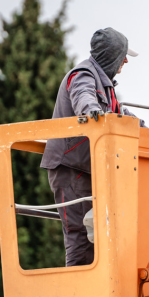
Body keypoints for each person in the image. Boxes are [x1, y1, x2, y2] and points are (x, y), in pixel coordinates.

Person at [41, 27, 143, 266]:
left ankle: (93, 296)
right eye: (123, 55)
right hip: (70, 169)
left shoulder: (107, 86)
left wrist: (147, 130)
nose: (126, 61)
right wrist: (91, 111)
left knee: (95, 237)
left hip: (85, 169)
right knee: (79, 235)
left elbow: (121, 115)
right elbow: (83, 96)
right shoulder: (84, 74)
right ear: (111, 55)